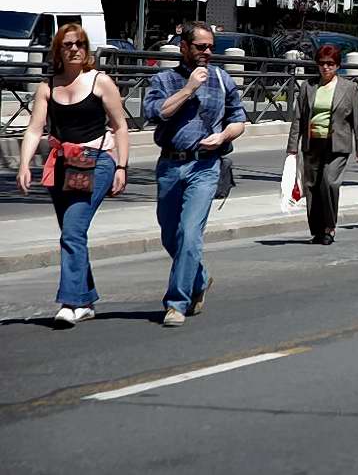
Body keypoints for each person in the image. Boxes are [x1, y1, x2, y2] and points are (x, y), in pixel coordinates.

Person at [16, 24, 130, 328]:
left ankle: (70, 302)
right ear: (58, 50)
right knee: (72, 233)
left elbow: (120, 126)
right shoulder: (48, 86)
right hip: (62, 164)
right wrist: (25, 164)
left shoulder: (100, 82)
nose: (75, 49)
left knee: (73, 231)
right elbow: (35, 128)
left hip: (97, 162)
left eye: (80, 43)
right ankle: (86, 297)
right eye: (68, 45)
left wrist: (121, 167)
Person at [143, 22, 246, 327]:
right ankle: (199, 278)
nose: (207, 52)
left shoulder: (222, 78)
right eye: (201, 47)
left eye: (211, 47)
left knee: (190, 234)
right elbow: (154, 113)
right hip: (170, 165)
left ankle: (176, 302)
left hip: (204, 166)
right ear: (184, 47)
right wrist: (188, 89)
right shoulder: (164, 79)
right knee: (170, 235)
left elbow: (238, 119)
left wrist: (224, 136)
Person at [287, 45, 358, 245]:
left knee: (329, 183)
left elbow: (357, 119)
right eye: (322, 63)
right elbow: (299, 117)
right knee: (312, 186)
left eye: (330, 64)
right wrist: (292, 146)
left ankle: (329, 227)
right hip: (312, 142)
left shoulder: (348, 88)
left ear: (338, 66)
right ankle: (317, 230)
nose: (325, 68)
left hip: (337, 145)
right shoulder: (308, 86)